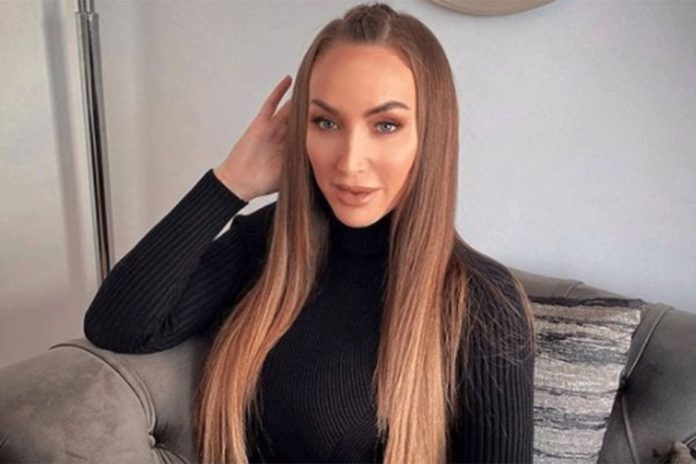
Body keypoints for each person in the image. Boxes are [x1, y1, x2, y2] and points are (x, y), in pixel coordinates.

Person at [83, 3, 537, 463]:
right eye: (326, 123)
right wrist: (230, 185)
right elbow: (118, 326)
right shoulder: (267, 243)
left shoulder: (482, 303)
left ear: (431, 137)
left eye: (386, 125)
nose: (349, 162)